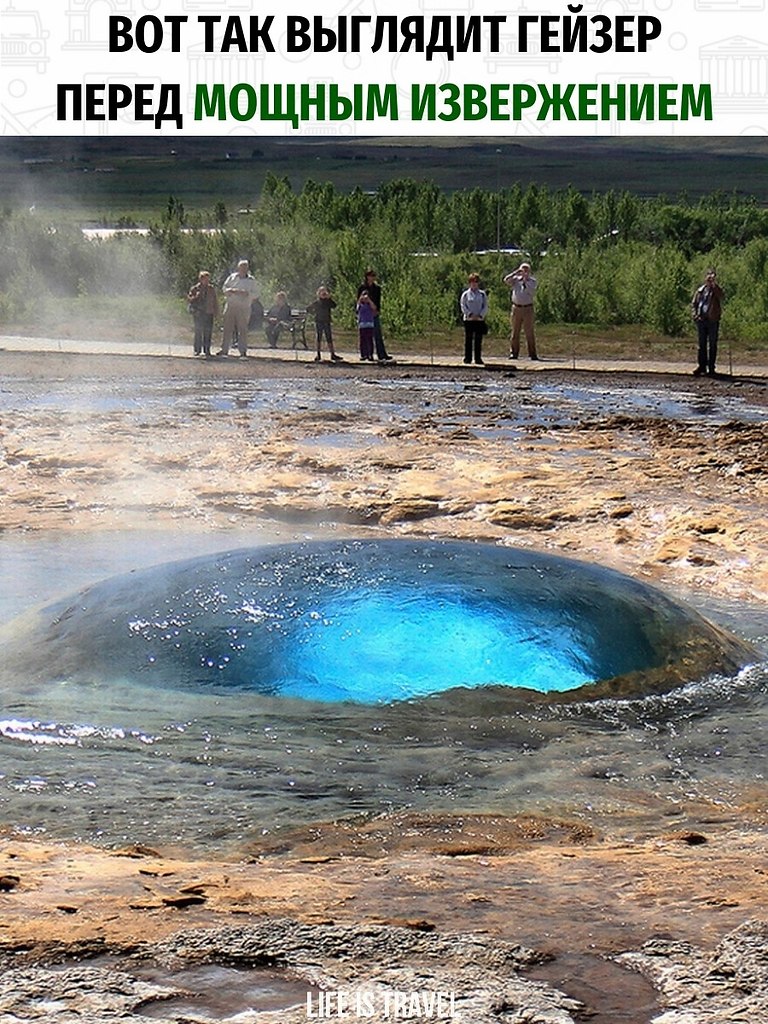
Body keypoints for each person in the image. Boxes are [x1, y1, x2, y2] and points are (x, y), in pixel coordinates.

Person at [219, 259, 259, 357]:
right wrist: (231, 290)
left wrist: (247, 294)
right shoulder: (232, 277)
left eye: (245, 267)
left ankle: (243, 351)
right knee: (227, 328)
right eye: (241, 267)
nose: (243, 269)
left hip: (244, 307)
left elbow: (257, 294)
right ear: (238, 268)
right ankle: (224, 349)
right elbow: (224, 288)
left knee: (243, 329)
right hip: (231, 305)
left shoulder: (251, 280)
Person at [357, 269, 395, 364]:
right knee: (364, 335)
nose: (373, 278)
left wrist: (377, 310)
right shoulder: (361, 288)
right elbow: (358, 301)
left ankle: (382, 354)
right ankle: (365, 354)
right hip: (364, 314)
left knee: (377, 334)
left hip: (373, 312)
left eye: (374, 276)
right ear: (367, 277)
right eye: (371, 276)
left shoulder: (377, 288)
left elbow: (378, 301)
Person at [691, 269, 724, 377]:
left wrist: (714, 286)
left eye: (712, 278)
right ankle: (702, 366)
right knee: (702, 345)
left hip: (713, 320)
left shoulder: (716, 290)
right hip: (701, 320)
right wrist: (695, 315)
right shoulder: (700, 291)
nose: (709, 280)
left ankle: (711, 367)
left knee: (713, 345)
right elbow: (694, 304)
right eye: (708, 278)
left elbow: (721, 296)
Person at [503, 262, 539, 360]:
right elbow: (506, 280)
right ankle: (514, 353)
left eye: (526, 270)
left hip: (528, 308)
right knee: (515, 331)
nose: (524, 272)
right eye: (523, 270)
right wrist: (515, 273)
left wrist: (525, 281)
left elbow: (531, 291)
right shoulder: (515, 280)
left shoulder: (532, 281)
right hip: (516, 308)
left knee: (529, 332)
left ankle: (532, 354)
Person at [187, 270, 219, 357]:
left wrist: (216, 311)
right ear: (201, 279)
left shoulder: (211, 289)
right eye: (205, 279)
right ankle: (197, 350)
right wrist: (196, 296)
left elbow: (215, 300)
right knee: (198, 332)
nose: (207, 281)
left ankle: (207, 350)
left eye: (208, 279)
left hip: (209, 312)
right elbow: (189, 299)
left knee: (208, 332)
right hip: (198, 313)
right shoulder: (195, 288)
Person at [307, 285, 342, 362]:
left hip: (326, 321)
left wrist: (329, 298)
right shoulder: (317, 302)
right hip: (318, 321)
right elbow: (308, 309)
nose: (323, 293)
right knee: (318, 337)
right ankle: (318, 354)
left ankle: (332, 354)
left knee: (329, 337)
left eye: (324, 292)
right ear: (318, 293)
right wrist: (314, 313)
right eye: (321, 292)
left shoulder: (328, 302)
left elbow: (334, 305)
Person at [459, 272, 488, 366]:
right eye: (472, 281)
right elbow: (463, 306)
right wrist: (470, 314)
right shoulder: (465, 294)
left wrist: (480, 315)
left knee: (478, 340)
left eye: (476, 281)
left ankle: (478, 358)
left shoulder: (482, 294)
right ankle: (468, 358)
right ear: (469, 283)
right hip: (469, 320)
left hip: (479, 320)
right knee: (468, 339)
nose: (474, 283)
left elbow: (485, 306)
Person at [357, 290, 376, 361]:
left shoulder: (370, 304)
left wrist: (369, 300)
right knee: (362, 341)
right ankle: (363, 355)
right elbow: (357, 309)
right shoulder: (360, 304)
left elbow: (374, 308)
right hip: (362, 324)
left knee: (369, 340)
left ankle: (370, 354)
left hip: (369, 324)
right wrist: (360, 299)